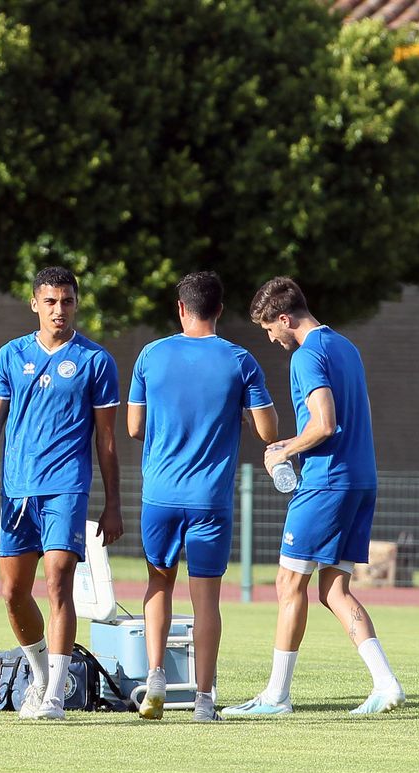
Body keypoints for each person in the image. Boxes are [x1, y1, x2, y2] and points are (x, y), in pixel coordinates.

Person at [224, 277, 405, 716]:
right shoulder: (345, 346)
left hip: (327, 483)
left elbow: (324, 424)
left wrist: (283, 448)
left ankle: (276, 696)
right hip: (362, 480)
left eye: (270, 328)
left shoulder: (307, 355)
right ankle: (386, 684)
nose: (271, 337)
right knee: (334, 590)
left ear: (285, 318)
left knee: (288, 583)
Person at [0, 266, 123, 722]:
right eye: (50, 301)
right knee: (12, 592)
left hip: (67, 486)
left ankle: (54, 698)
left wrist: (113, 503)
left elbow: (106, 441)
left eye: (66, 301)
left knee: (58, 581)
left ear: (76, 304)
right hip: (17, 490)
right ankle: (41, 674)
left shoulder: (96, 361)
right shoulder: (10, 355)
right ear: (34, 304)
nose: (59, 310)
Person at [126, 271, 277, 723]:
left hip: (160, 494)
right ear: (219, 310)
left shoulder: (150, 355)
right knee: (206, 599)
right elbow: (269, 431)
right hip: (209, 497)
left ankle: (155, 675)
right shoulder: (240, 360)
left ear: (180, 308)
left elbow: (134, 427)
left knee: (158, 584)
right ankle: (204, 699)